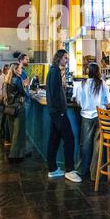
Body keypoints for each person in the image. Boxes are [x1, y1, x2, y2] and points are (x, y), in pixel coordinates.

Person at [46, 49, 81, 183]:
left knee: (54, 139)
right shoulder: (55, 72)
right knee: (69, 138)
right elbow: (55, 94)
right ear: (59, 58)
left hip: (54, 111)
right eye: (65, 58)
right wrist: (60, 110)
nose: (67, 61)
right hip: (58, 111)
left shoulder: (53, 70)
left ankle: (53, 169)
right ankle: (70, 170)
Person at [75, 63, 110, 181]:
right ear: (98, 71)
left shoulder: (82, 84)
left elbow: (79, 101)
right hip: (100, 117)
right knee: (98, 146)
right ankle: (95, 174)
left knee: (85, 144)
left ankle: (82, 170)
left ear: (88, 71)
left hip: (86, 116)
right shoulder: (102, 84)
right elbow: (107, 101)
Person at [5, 63, 30, 162]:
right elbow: (24, 93)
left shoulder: (8, 80)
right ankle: (16, 155)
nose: (21, 71)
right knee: (19, 132)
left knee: (13, 131)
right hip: (19, 107)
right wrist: (26, 85)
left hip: (10, 108)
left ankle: (16, 152)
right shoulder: (17, 79)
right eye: (19, 69)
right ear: (15, 70)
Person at [0, 64, 10, 139]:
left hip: (6, 99)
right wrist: (3, 97)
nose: (9, 70)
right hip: (5, 100)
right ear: (5, 70)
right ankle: (2, 132)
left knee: (5, 116)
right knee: (4, 116)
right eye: (8, 69)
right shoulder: (1, 78)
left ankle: (2, 132)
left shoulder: (7, 77)